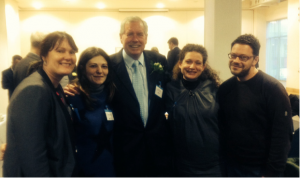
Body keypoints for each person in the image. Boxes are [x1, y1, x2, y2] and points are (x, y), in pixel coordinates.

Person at [217, 34, 293, 177]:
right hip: (230, 166)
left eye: (243, 57)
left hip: (260, 170)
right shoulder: (225, 89)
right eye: (233, 55)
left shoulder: (273, 89)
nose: (236, 60)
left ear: (255, 60)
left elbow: (282, 136)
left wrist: (272, 173)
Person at [3, 31, 78, 177]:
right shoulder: (34, 89)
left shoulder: (53, 87)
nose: (68, 57)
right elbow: (32, 155)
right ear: (43, 56)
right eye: (60, 51)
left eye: (72, 51)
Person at [110, 16, 171, 176]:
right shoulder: (109, 65)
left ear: (146, 37)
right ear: (121, 37)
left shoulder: (159, 60)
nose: (135, 39)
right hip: (126, 150)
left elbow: (171, 88)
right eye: (130, 34)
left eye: (140, 34)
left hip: (157, 148)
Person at [165, 44, 222, 176]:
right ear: (180, 63)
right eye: (188, 61)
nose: (192, 67)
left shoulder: (215, 89)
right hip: (182, 164)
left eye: (198, 63)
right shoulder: (170, 89)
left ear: (203, 66)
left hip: (212, 164)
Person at [66, 47, 116, 176]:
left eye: (104, 66)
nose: (100, 71)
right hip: (84, 169)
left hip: (111, 167)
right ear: (82, 68)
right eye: (93, 66)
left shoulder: (112, 94)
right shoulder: (72, 97)